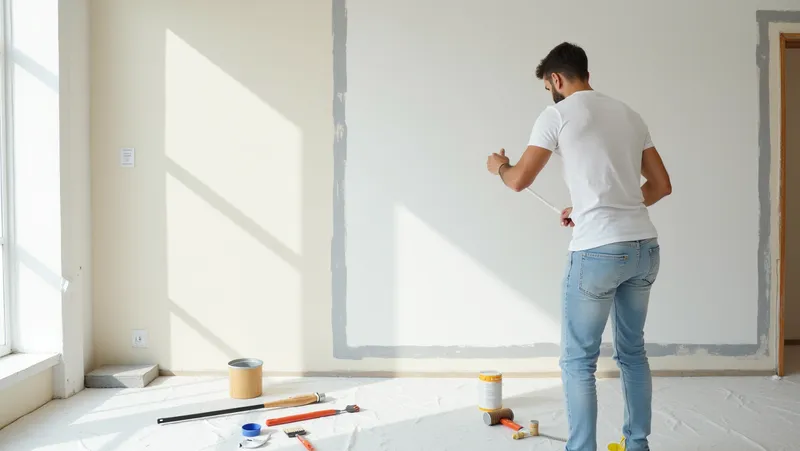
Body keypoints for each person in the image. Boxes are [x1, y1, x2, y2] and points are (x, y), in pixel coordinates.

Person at [486, 42, 672, 451]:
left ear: (555, 78)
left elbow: (518, 180)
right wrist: (595, 208)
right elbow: (661, 186)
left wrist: (498, 164)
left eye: (548, 84)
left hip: (597, 254)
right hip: (644, 248)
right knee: (633, 353)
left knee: (578, 361)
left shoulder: (556, 114)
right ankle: (637, 445)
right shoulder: (629, 114)